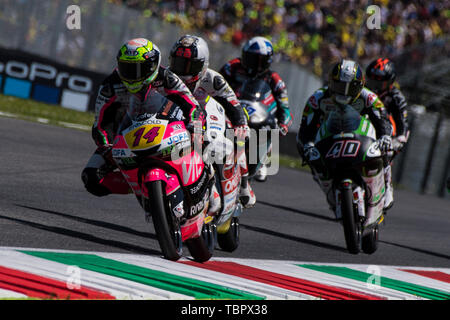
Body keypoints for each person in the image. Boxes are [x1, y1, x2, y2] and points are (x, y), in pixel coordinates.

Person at [82, 38, 206, 198]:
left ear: (153, 65)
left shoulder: (166, 77)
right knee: (91, 177)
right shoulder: (110, 85)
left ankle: (205, 179)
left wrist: (194, 129)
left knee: (206, 144)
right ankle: (139, 184)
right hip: (128, 136)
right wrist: (108, 147)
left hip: (170, 129)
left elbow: (193, 106)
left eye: (140, 69)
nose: (134, 75)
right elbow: (100, 125)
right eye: (127, 68)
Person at [169, 34, 256, 209]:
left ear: (203, 65)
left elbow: (233, 103)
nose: (184, 72)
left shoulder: (213, 79)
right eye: (179, 64)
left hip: (208, 113)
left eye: (190, 66)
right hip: (178, 112)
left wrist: (241, 124)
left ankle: (244, 184)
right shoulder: (167, 76)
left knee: (228, 139)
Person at [296, 59, 395, 210]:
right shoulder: (317, 99)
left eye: (351, 87)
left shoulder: (369, 98)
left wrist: (385, 136)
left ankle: (387, 186)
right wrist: (308, 145)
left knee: (387, 148)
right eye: (339, 86)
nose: (344, 92)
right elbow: (305, 127)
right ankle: (329, 190)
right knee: (313, 160)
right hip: (329, 138)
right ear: (331, 82)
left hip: (362, 138)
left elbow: (383, 120)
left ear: (360, 86)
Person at [219, 36, 293, 182]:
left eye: (259, 60)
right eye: (251, 58)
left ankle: (263, 154)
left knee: (273, 117)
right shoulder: (232, 67)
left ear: (268, 60)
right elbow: (215, 83)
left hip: (260, 114)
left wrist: (283, 124)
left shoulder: (274, 79)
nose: (254, 64)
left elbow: (284, 105)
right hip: (234, 108)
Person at [365, 58, 409, 151]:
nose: (374, 87)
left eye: (378, 84)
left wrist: (400, 139)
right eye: (371, 82)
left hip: (383, 136)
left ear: (390, 82)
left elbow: (402, 121)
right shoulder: (361, 90)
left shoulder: (396, 97)